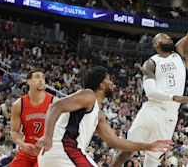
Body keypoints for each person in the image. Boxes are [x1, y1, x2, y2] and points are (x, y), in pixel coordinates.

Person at [112, 0, 188, 167]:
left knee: (154, 158)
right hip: (152, 110)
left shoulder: (180, 52)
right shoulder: (151, 62)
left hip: (170, 115)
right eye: (162, 37)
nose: (167, 37)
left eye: (167, 36)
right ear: (155, 45)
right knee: (127, 150)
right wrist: (174, 97)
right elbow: (150, 91)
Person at [36, 66, 173, 167]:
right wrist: (47, 136)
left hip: (52, 156)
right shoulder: (88, 95)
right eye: (109, 80)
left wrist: (148, 146)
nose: (112, 83)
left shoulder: (97, 113)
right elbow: (55, 106)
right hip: (64, 151)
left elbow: (115, 142)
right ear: (101, 85)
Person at [10, 69, 55, 167]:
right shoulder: (19, 104)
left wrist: (48, 135)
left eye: (43, 78)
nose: (41, 80)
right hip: (28, 149)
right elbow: (14, 132)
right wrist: (22, 144)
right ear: (28, 81)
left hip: (47, 151)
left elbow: (63, 127)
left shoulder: (54, 102)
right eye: (37, 77)